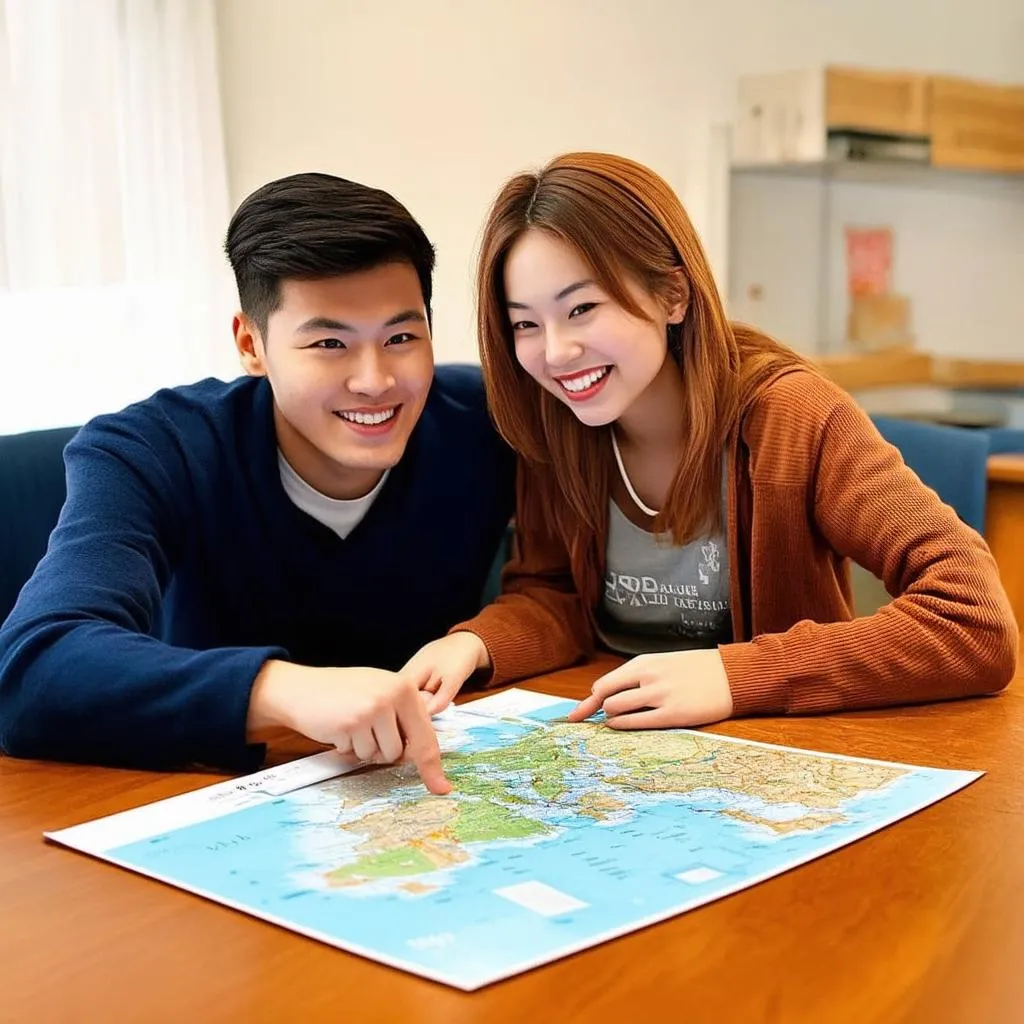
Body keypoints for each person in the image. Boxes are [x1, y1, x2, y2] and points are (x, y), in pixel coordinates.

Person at [405, 152, 1018, 728]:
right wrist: (475, 643)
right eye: (526, 324)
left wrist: (733, 675)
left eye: (583, 308)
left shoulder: (793, 417)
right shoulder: (558, 421)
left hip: (777, 757)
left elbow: (974, 618)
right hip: (622, 748)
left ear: (673, 294)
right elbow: (556, 593)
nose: (557, 352)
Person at [0, 172, 515, 791]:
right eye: (329, 343)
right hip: (204, 798)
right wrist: (282, 690)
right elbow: (32, 670)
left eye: (402, 337)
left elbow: (566, 580)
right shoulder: (153, 448)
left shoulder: (490, 426)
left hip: (420, 791)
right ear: (252, 344)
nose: (376, 381)